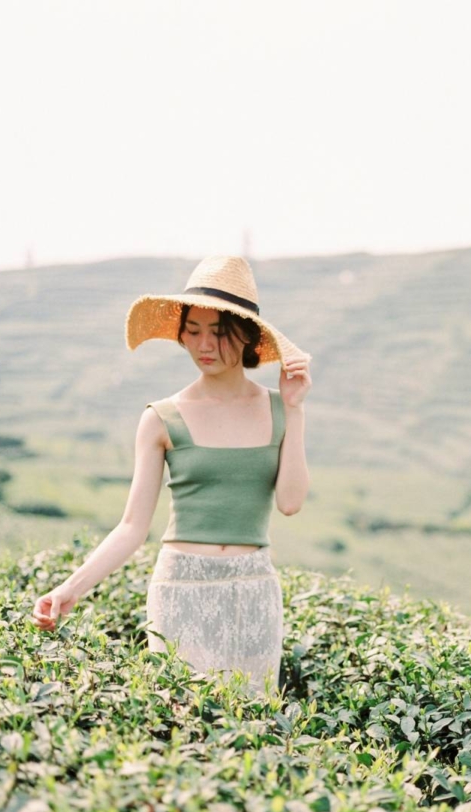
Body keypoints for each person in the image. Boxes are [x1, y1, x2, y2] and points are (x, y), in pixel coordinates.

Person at [31, 254, 311, 697]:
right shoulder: (162, 419)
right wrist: (69, 589)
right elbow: (131, 527)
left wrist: (294, 411)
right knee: (183, 725)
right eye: (193, 331)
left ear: (246, 337)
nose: (204, 346)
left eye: (218, 333)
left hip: (253, 591)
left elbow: (291, 502)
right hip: (180, 588)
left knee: (253, 731)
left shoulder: (280, 409)